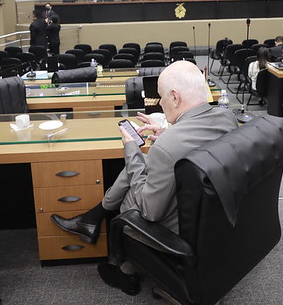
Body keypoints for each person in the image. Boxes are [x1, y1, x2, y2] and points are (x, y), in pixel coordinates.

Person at [49, 61, 238, 295]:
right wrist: (166, 134)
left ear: (175, 97)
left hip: (183, 229)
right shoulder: (227, 117)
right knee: (145, 162)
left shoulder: (168, 147)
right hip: (217, 216)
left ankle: (123, 266)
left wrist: (131, 149)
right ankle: (93, 219)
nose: (159, 103)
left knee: (130, 190)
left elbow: (150, 212)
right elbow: (197, 145)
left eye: (161, 97)